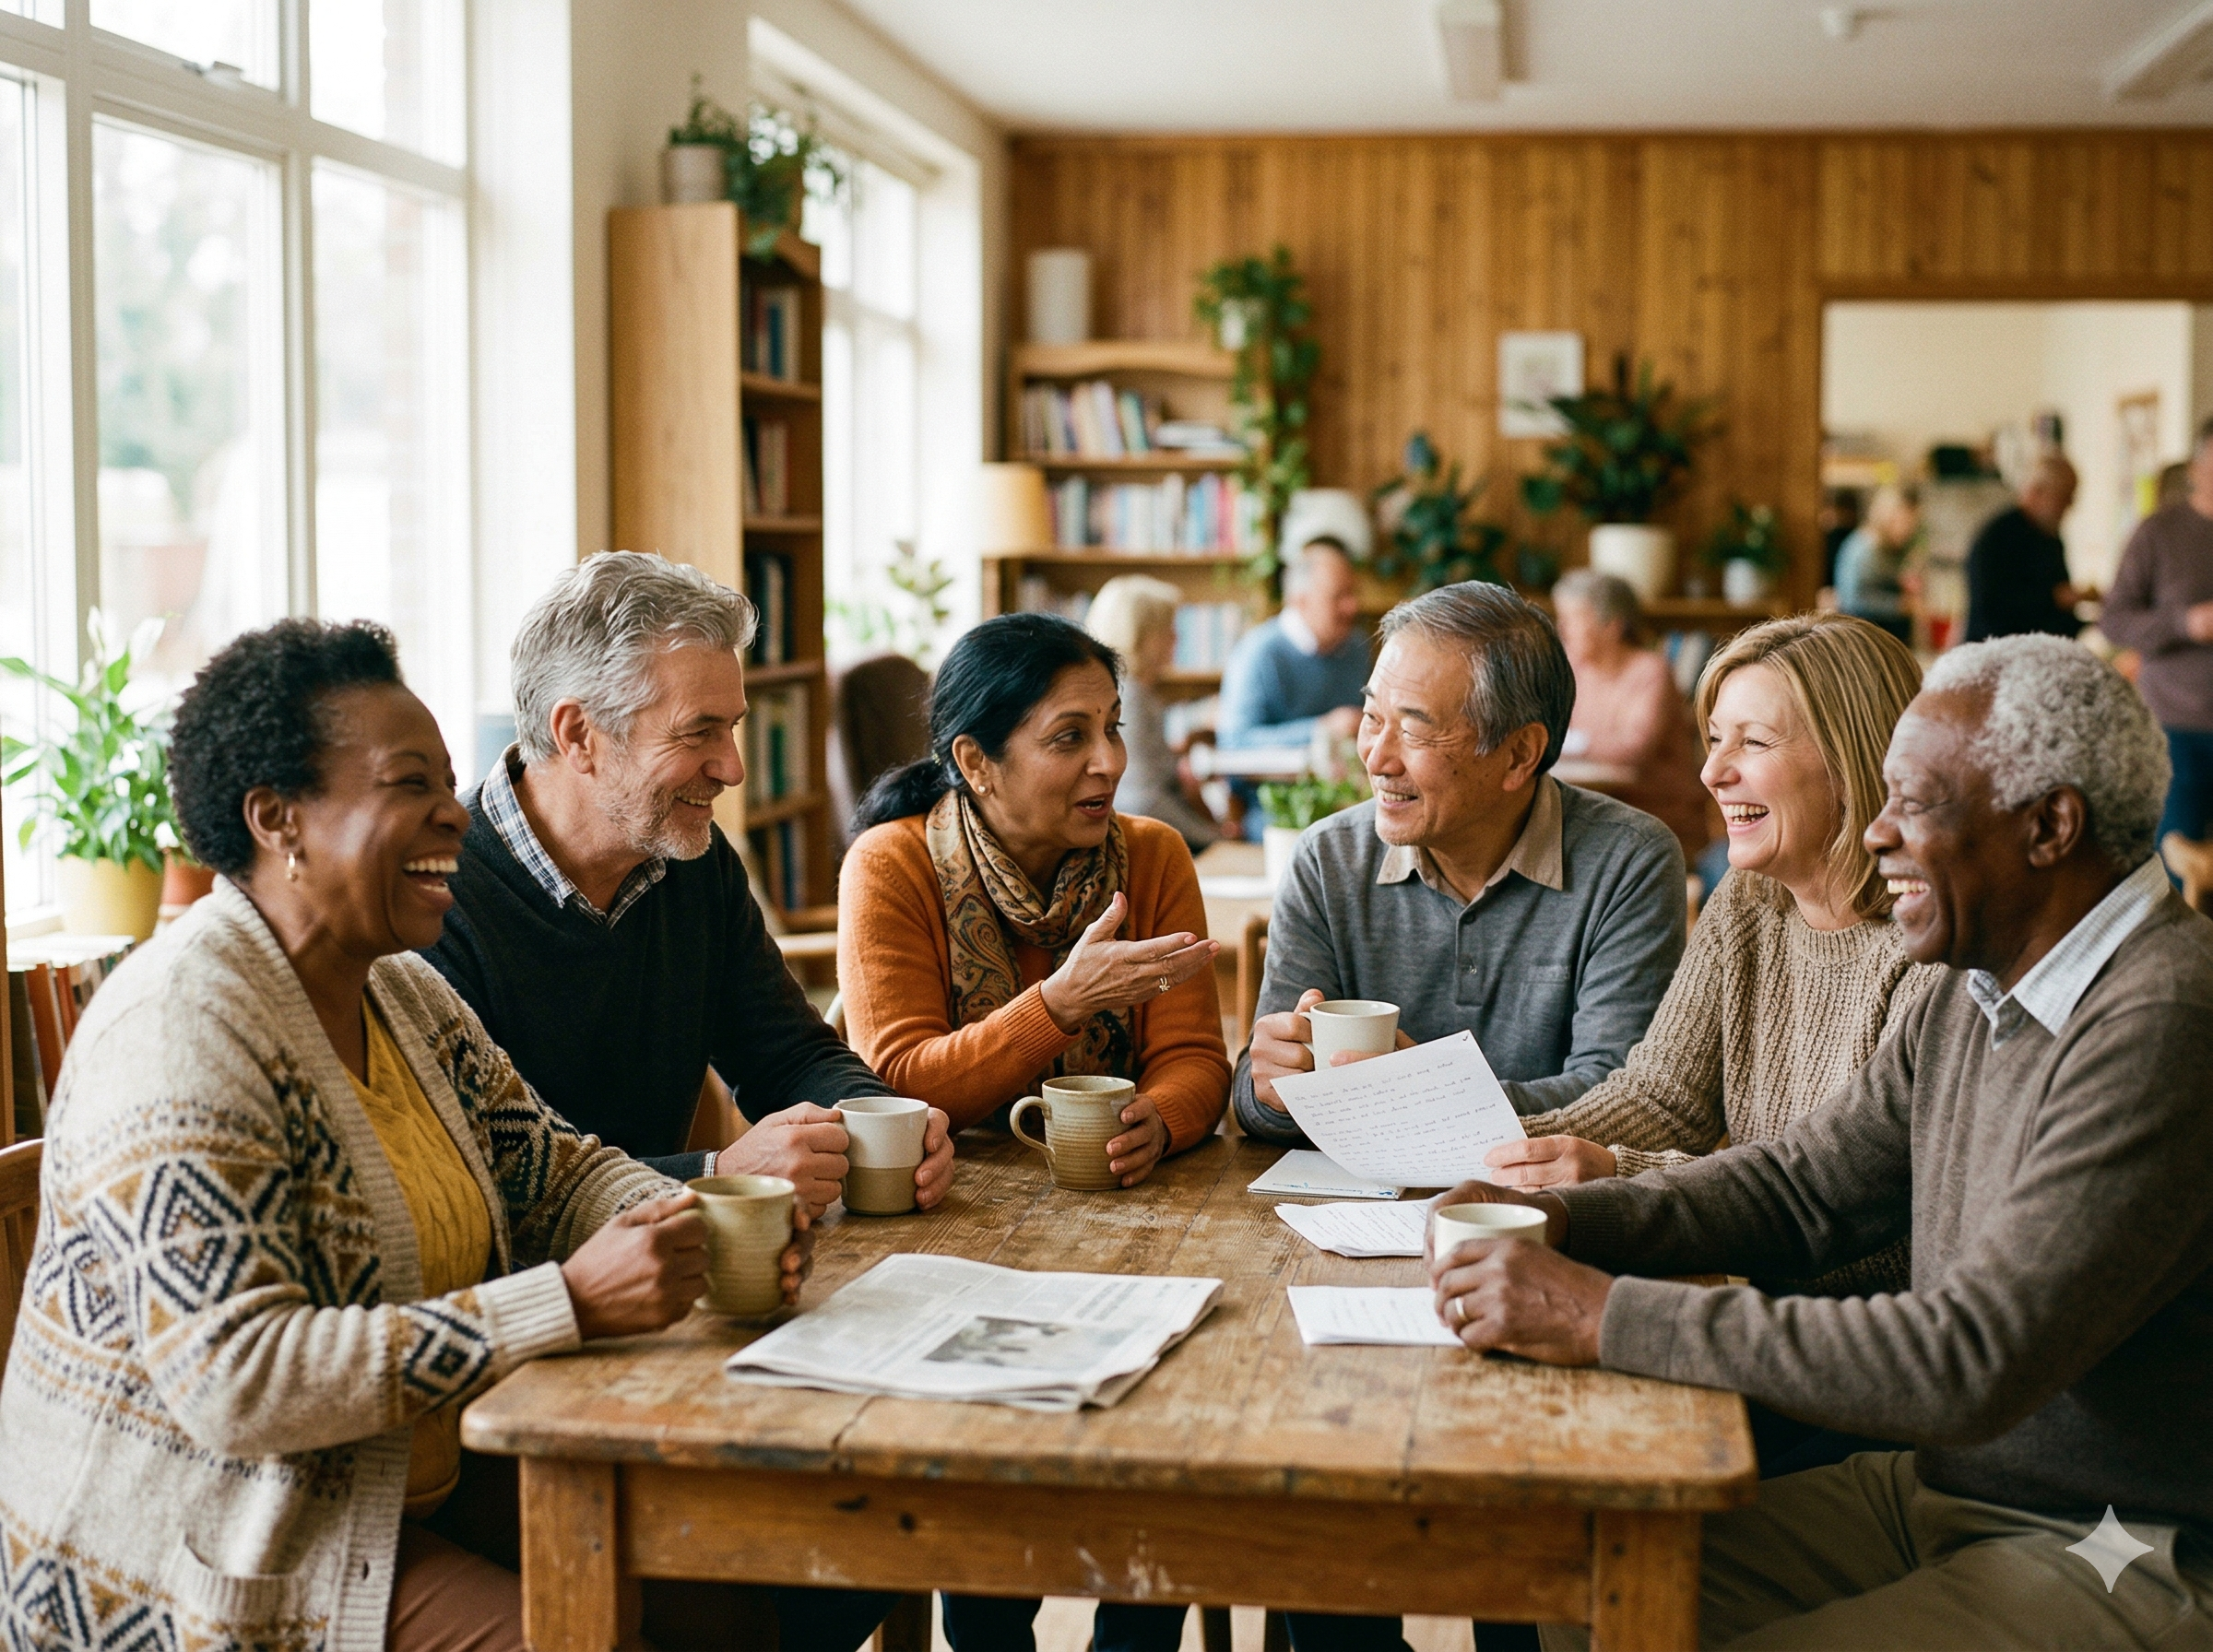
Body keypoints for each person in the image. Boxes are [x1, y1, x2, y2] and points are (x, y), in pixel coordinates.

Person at [0, 619, 870, 1652]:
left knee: (731, 1594)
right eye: (409, 785)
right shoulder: (182, 1027)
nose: (455, 815)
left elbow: (554, 1168)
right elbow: (238, 1379)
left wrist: (706, 1221)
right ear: (277, 819)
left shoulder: (402, 993)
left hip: (397, 1479)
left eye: (449, 783)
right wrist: (570, 1301)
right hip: (214, 1548)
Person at [1423, 635, 2213, 1649]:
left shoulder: (2163, 1017)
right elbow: (1804, 1186)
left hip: (2123, 1541)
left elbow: (1969, 1355)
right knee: (1575, 1585)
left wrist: (1602, 1313)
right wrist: (1568, 1216)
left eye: (1915, 802)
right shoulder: (1984, 985)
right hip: (1948, 1489)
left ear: (2050, 826)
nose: (1877, 833)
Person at [835, 611, 1229, 1652]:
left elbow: (1196, 1059)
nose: (1108, 763)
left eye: (1113, 728)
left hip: (1138, 1229)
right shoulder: (893, 866)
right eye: (1068, 738)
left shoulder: (1151, 857)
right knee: (983, 1487)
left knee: (1174, 1445)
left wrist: (1162, 1116)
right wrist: (1058, 1003)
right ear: (975, 760)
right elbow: (898, 1079)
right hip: (946, 1235)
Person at [1495, 615, 1937, 1472]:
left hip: (1848, 1367)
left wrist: (1616, 1176)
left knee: (1554, 1465)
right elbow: (1663, 1095)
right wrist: (1518, 1140)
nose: (1711, 771)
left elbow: (1869, 1226)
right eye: (1711, 738)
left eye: (1753, 742)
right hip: (1744, 1311)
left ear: (1856, 762)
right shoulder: (1750, 897)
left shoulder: (1926, 949)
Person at [422, 551, 953, 1220]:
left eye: (731, 727)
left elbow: (786, 1053)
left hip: (675, 1264)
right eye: (699, 732)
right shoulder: (434, 899)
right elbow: (476, 1182)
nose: (732, 768)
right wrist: (714, 1174)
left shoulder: (694, 860)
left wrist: (879, 1117)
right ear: (579, 734)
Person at [1235, 582, 1686, 1143]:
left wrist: (1430, 1093)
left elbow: (1621, 1097)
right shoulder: (1328, 859)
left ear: (1519, 753)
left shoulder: (1628, 862)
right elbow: (1261, 1098)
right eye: (1372, 718)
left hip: (1541, 1216)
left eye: (1416, 729)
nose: (1376, 757)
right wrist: (1269, 1085)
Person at [2101, 415, 2213, 853]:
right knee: (2172, 868)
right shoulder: (2159, 532)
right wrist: (2187, 623)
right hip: (2175, 727)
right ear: (2196, 470)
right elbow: (2114, 619)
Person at [1551, 567, 1714, 862]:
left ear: (1612, 626)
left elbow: (1634, 748)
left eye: (1573, 619)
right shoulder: (1575, 670)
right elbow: (1548, 730)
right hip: (1600, 814)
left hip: (1656, 823)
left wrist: (1573, 743)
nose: (1562, 629)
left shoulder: (1651, 672)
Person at [1085, 572, 1220, 852]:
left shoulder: (1138, 693)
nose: (1176, 638)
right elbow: (1144, 799)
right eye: (1168, 628)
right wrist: (1211, 838)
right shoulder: (1128, 698)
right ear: (1142, 634)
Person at [1216, 535, 1369, 753]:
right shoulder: (1258, 652)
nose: (1352, 607)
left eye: (1353, 593)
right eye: (1338, 596)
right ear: (1299, 600)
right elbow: (1234, 743)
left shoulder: (1357, 646)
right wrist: (1322, 730)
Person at [1964, 452, 2092, 642]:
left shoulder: (2049, 537)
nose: (2070, 505)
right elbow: (1993, 611)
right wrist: (2056, 598)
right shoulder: (1997, 537)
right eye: (2064, 496)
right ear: (2037, 492)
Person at [1831, 482, 1920, 644]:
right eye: (1904, 521)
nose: (1908, 529)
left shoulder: (1889, 548)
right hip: (1864, 639)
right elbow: (1853, 600)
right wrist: (1900, 605)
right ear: (1887, 517)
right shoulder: (1866, 548)